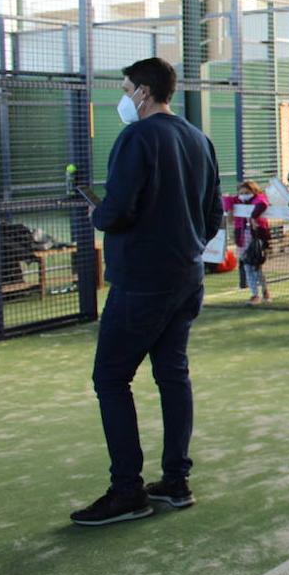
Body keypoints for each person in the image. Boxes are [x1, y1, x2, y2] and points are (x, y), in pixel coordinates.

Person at [71, 57, 221, 526]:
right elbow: (213, 213)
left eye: (125, 87)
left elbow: (115, 211)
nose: (123, 96)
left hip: (141, 283)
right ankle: (175, 481)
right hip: (186, 277)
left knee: (111, 379)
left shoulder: (135, 137)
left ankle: (126, 491)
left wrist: (97, 215)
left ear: (142, 90)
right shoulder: (199, 139)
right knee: (172, 374)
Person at [224, 180, 271, 306]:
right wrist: (229, 210)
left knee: (257, 268)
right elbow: (227, 199)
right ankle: (255, 294)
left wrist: (253, 217)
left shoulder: (258, 199)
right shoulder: (238, 201)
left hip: (257, 239)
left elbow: (262, 203)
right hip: (242, 239)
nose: (244, 195)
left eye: (247, 192)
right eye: (242, 192)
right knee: (247, 266)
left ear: (254, 192)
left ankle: (265, 291)